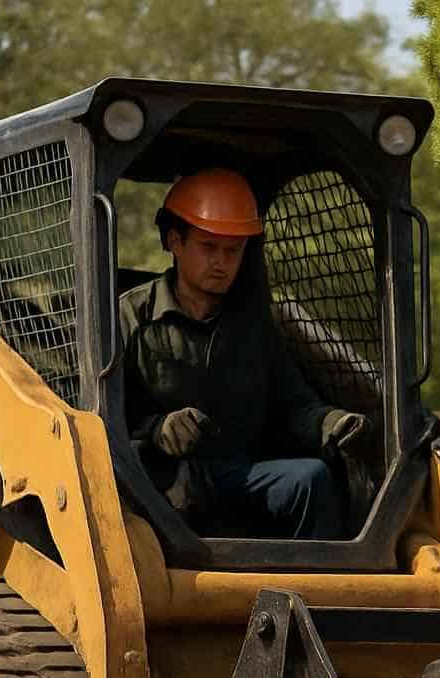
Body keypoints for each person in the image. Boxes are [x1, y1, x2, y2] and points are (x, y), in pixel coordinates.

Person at [118, 168, 369, 540]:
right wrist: (157, 429)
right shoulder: (129, 316)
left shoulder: (254, 325)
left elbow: (293, 405)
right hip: (160, 483)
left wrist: (332, 424)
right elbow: (102, 416)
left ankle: (312, 578)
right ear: (174, 241)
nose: (221, 262)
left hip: (240, 473)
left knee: (312, 479)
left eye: (232, 250)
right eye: (209, 247)